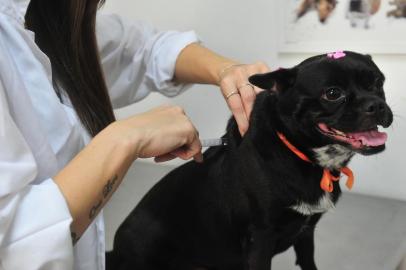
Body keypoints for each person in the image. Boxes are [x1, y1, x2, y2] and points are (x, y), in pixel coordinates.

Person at [0, 0, 270, 269]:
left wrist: (227, 71)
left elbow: (143, 49)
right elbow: (15, 246)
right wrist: (126, 138)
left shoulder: (45, 14)